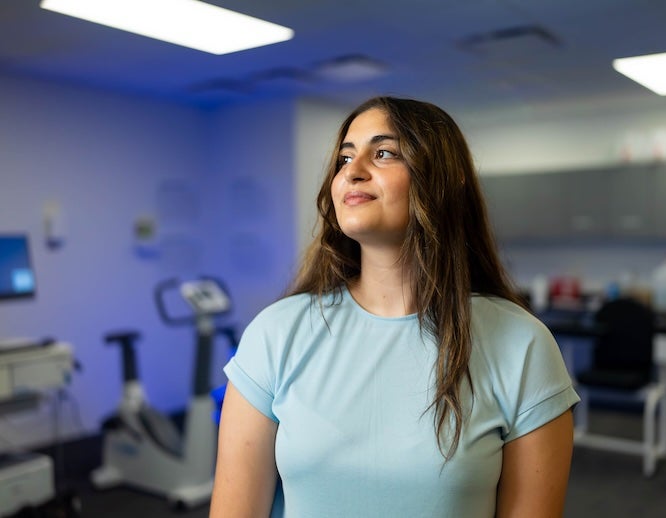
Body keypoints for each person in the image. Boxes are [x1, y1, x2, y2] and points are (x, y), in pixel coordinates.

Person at [210, 96, 579, 517]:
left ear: (444, 180)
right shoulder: (275, 333)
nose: (353, 170)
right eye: (344, 158)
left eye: (383, 153)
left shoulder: (522, 344)